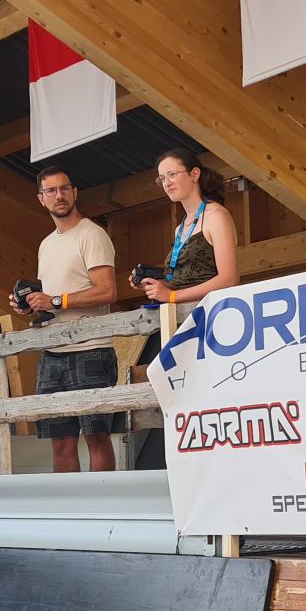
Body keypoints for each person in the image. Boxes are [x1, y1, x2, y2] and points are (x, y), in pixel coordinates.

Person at [19, 165, 122, 473]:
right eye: (51, 191)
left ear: (75, 193)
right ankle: (71, 504)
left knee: (96, 437)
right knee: (60, 442)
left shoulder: (92, 234)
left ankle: (102, 502)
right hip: (52, 352)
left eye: (64, 188)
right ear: (41, 199)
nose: (59, 195)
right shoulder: (46, 244)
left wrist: (55, 300)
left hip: (91, 348)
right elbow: (50, 298)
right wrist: (31, 305)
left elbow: (107, 291)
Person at [137, 147, 240, 308]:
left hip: (213, 314)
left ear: (194, 174)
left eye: (172, 174)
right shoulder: (180, 228)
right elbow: (185, 282)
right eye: (162, 178)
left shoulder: (216, 216)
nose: (167, 183)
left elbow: (229, 279)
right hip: (186, 315)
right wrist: (155, 285)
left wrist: (171, 296)